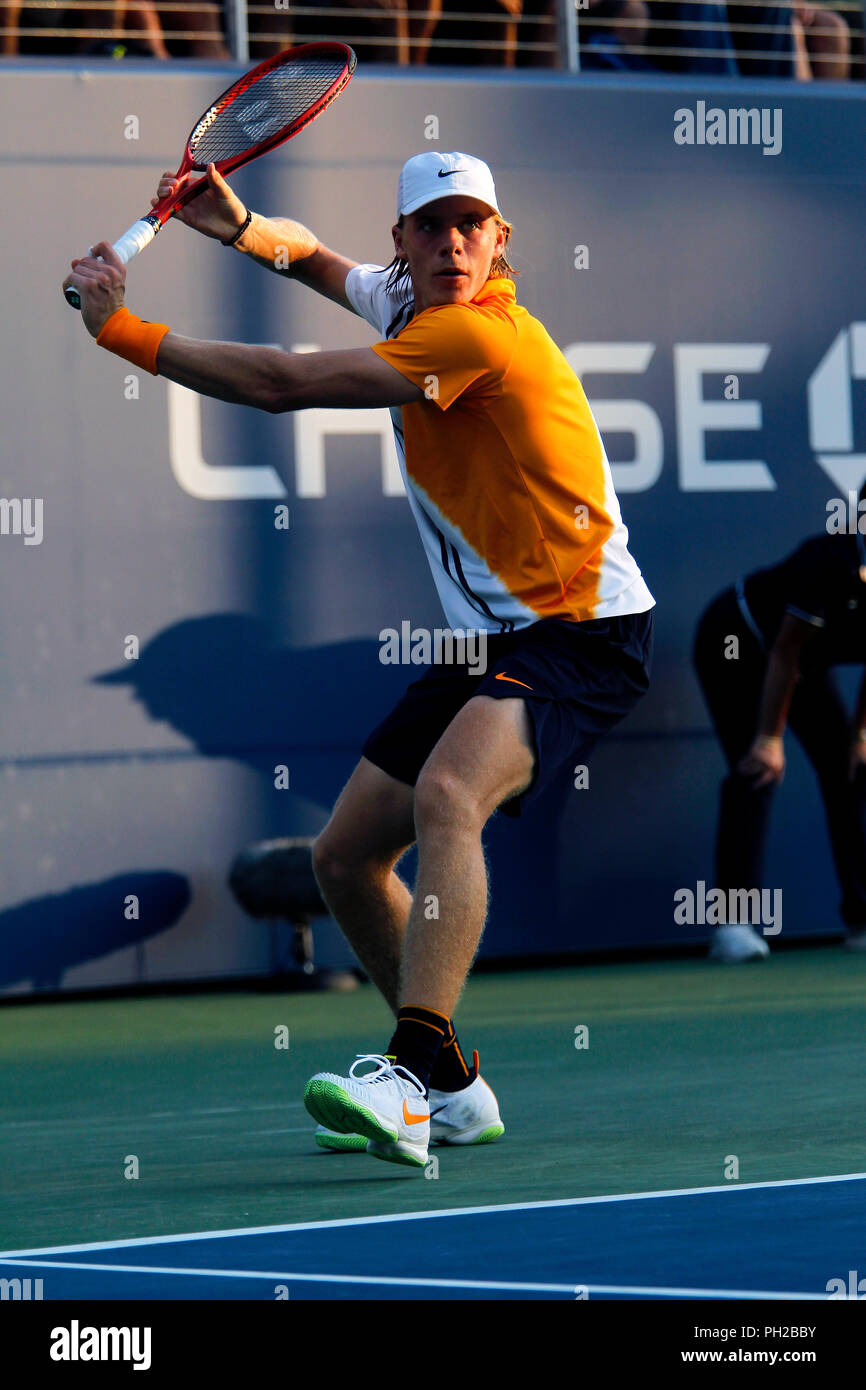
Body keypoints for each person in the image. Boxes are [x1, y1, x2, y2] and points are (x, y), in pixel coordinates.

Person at [63, 151, 655, 1171]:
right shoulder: (404, 293)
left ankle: (411, 1065)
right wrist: (239, 223)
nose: (452, 242)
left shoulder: (472, 330)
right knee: (341, 859)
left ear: (499, 242)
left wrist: (123, 329)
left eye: (472, 225)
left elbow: (279, 383)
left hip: (580, 629)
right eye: (430, 226)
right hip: (490, 633)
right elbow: (315, 263)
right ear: (405, 243)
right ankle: (458, 1089)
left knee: (448, 795)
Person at [693, 487, 866, 964]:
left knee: (850, 768)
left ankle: (861, 917)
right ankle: (733, 924)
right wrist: (769, 739)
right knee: (757, 769)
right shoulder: (829, 560)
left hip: (799, 664)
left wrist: (859, 734)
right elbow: (785, 649)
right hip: (736, 641)